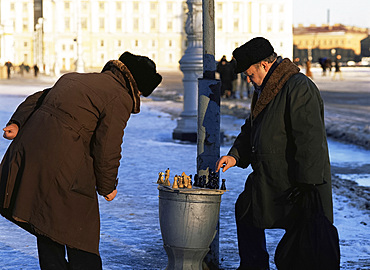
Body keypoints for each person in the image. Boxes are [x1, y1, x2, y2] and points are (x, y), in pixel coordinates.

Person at [0, 51, 162, 270]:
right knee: (82, 230)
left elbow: (38, 99)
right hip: (63, 159)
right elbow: (108, 147)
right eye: (142, 93)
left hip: (30, 152)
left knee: (46, 218)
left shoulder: (77, 78)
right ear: (136, 86)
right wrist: (107, 186)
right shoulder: (119, 96)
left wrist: (17, 122)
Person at [216, 37, 333, 270]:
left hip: (295, 183)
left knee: (304, 235)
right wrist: (235, 155)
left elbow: (309, 141)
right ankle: (254, 266)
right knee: (246, 209)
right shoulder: (264, 88)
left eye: (249, 74)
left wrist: (308, 185)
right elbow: (251, 128)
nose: (248, 80)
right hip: (270, 178)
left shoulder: (298, 87)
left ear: (264, 65)